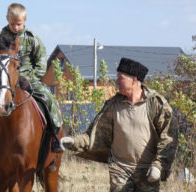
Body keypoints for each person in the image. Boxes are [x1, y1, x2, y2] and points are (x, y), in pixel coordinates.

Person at [60, 57, 178, 192]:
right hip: (120, 169)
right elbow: (95, 136)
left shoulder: (156, 104)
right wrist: (73, 141)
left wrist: (158, 165)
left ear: (134, 80)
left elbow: (169, 137)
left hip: (148, 171)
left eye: (120, 78)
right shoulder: (113, 105)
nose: (116, 82)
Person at [0, 3, 63, 159]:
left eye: (19, 24)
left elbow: (41, 63)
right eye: (12, 23)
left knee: (50, 100)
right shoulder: (0, 39)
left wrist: (31, 78)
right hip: (5, 81)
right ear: (7, 20)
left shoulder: (32, 39)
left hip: (29, 79)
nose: (15, 27)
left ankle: (55, 138)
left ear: (25, 20)